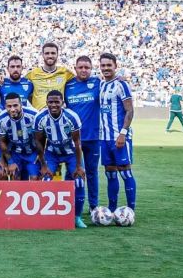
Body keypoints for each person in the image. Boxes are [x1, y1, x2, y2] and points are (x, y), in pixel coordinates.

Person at [34, 90, 87, 228]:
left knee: (79, 182)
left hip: (71, 153)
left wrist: (79, 166)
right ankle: (47, 216)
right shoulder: (40, 118)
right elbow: (39, 142)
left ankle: (77, 217)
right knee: (45, 180)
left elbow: (77, 142)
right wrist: (44, 165)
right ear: (46, 103)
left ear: (62, 103)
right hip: (52, 153)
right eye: (50, 102)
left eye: (57, 102)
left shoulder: (71, 116)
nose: (53, 105)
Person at [99, 53, 137, 212]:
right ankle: (112, 209)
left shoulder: (121, 85)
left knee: (125, 172)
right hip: (104, 138)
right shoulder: (101, 85)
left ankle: (130, 210)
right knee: (110, 174)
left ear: (115, 66)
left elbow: (130, 110)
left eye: (109, 65)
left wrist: (123, 133)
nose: (106, 68)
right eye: (103, 65)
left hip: (119, 137)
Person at [65, 56, 101, 209]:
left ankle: (94, 207)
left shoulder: (98, 83)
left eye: (87, 67)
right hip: (73, 139)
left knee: (91, 173)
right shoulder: (68, 85)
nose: (84, 70)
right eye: (80, 67)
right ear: (75, 68)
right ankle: (69, 207)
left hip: (93, 137)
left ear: (91, 68)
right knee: (72, 172)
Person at [0, 93, 42, 181]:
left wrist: (41, 155)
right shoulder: (1, 119)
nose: (12, 109)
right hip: (15, 153)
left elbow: (43, 137)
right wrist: (10, 162)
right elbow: (2, 141)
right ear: (5, 106)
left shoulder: (34, 115)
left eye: (15, 105)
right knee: (15, 177)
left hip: (32, 152)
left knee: (35, 178)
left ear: (21, 105)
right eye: (9, 106)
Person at [26, 42, 74, 110]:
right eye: (47, 53)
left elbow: (79, 80)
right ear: (42, 55)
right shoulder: (32, 74)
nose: (50, 56)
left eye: (53, 53)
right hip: (39, 115)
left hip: (57, 113)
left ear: (57, 55)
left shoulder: (65, 72)